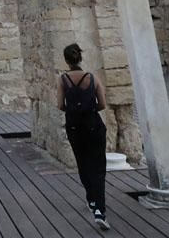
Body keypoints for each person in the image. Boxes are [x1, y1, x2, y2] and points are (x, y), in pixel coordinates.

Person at [59, 42, 109, 230]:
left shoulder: (63, 79)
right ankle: (100, 210)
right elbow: (102, 104)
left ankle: (91, 200)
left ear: (66, 60)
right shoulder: (92, 78)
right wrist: (89, 109)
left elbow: (60, 105)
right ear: (80, 58)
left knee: (83, 163)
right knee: (98, 167)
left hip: (74, 126)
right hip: (93, 125)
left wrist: (74, 110)